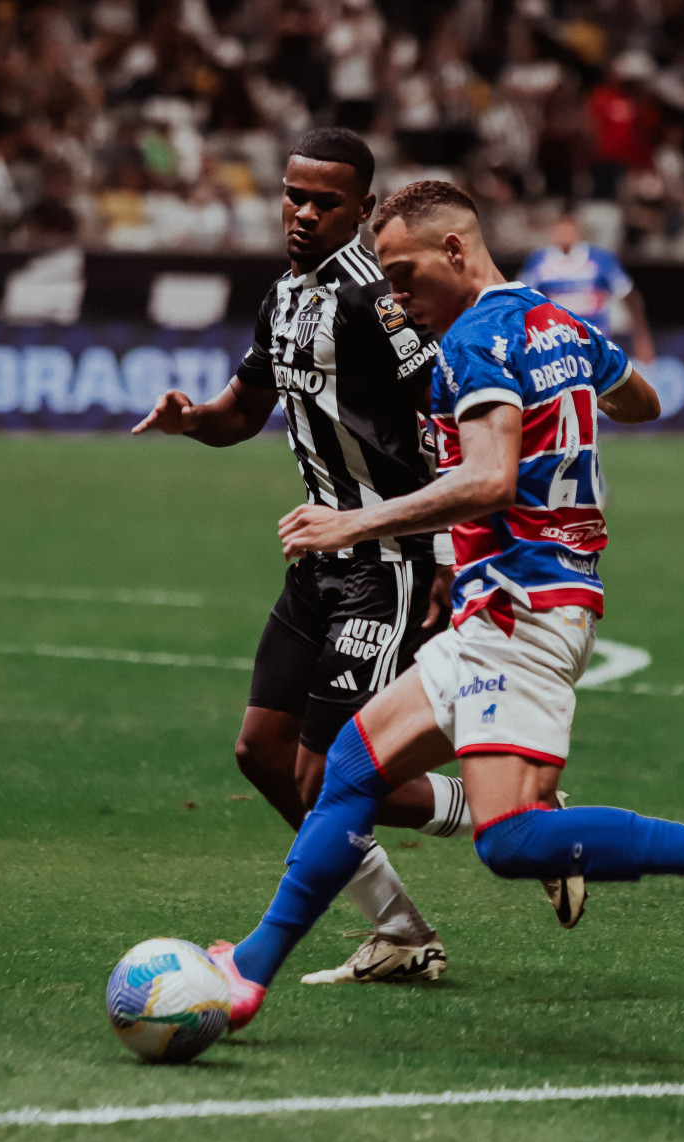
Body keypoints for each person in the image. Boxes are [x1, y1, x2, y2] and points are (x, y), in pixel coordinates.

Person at [198, 179, 684, 1031]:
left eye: (403, 275)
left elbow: (488, 478)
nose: (396, 296)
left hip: (523, 606)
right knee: (350, 768)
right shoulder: (554, 322)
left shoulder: (471, 341)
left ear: (457, 252)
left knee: (510, 841)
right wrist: (576, 399)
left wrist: (352, 521)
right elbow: (643, 399)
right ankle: (248, 972)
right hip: (508, 602)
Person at [132, 129, 471, 986]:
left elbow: (445, 410)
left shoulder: (374, 300)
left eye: (326, 202)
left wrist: (439, 546)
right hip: (317, 558)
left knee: (329, 775)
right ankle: (403, 926)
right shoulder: (284, 295)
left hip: (386, 557)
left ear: (362, 210)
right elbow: (242, 412)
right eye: (294, 195)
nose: (304, 213)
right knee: (261, 753)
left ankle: (509, 810)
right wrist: (191, 419)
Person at [519, 209, 655, 363]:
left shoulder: (600, 258)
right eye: (560, 228)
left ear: (578, 230)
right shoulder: (538, 261)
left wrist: (642, 338)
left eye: (568, 228)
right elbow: (522, 300)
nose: (564, 233)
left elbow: (628, 296)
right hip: (555, 342)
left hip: (595, 339)